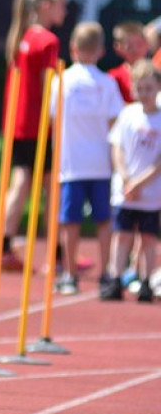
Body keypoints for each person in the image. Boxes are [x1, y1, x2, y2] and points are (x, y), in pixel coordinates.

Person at [0, 0, 67, 272]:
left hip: (18, 121)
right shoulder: (47, 41)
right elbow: (51, 87)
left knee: (26, 182)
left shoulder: (21, 36)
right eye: (60, 4)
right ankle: (56, 256)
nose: (64, 11)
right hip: (38, 124)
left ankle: (8, 247)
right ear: (46, 6)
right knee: (41, 186)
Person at [50, 22, 125, 294]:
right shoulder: (107, 83)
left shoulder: (61, 81)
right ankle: (106, 273)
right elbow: (115, 119)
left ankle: (70, 274)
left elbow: (51, 117)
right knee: (104, 220)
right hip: (101, 163)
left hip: (71, 164)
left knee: (70, 221)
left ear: (73, 48)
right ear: (101, 50)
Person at [101, 60, 161, 302]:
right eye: (140, 88)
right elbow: (118, 148)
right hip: (125, 191)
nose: (144, 93)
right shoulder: (127, 115)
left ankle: (145, 281)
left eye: (149, 88)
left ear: (158, 88)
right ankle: (115, 278)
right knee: (122, 236)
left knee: (148, 238)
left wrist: (140, 183)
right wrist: (126, 178)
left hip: (150, 193)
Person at [108, 21, 149, 104]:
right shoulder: (113, 77)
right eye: (129, 46)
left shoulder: (157, 72)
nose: (135, 50)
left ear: (147, 44)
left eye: (139, 44)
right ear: (118, 47)